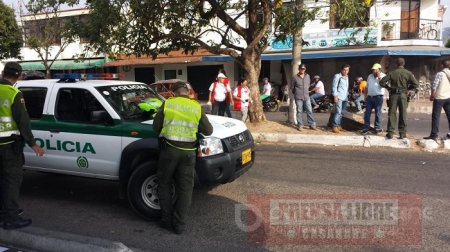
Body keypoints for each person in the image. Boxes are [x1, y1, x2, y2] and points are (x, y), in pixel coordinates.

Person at [153, 81, 213, 234]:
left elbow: (155, 127)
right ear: (188, 92)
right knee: (186, 189)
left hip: (169, 151)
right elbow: (208, 130)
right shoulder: (196, 106)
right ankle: (179, 225)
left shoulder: (168, 104)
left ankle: (166, 221)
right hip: (188, 153)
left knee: (164, 184)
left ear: (173, 93)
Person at [0, 62, 45, 230]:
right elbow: (23, 121)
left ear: (4, 72)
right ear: (18, 76)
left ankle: (3, 213)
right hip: (8, 146)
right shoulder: (13, 93)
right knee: (11, 181)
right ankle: (10, 218)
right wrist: (33, 144)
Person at [380, 58, 419, 139]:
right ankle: (402, 133)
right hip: (403, 96)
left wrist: (388, 88)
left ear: (396, 64)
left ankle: (390, 132)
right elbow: (416, 84)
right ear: (403, 64)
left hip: (393, 95)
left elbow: (382, 82)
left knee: (392, 114)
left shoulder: (392, 73)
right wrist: (409, 89)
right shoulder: (408, 73)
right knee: (403, 114)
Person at [423, 59, 450, 141]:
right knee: (449, 116)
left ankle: (434, 134)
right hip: (448, 97)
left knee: (436, 116)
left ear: (442, 65)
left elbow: (434, 85)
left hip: (439, 98)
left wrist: (432, 95)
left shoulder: (440, 74)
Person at [362, 63, 386, 134]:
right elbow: (366, 87)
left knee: (378, 113)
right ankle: (366, 127)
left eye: (375, 70)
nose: (374, 71)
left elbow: (383, 85)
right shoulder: (370, 76)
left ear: (379, 70)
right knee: (367, 113)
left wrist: (379, 78)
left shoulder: (383, 76)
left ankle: (377, 128)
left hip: (378, 97)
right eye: (373, 70)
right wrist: (365, 96)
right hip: (370, 97)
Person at [291, 63, 317, 131]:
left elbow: (308, 84)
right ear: (299, 69)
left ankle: (312, 125)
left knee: (309, 110)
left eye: (303, 69)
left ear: (305, 69)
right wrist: (296, 93)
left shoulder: (308, 76)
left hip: (306, 96)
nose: (302, 70)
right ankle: (300, 125)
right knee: (299, 111)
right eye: (301, 68)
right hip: (298, 97)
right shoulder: (295, 77)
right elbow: (292, 88)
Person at [330, 64, 350, 134]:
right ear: (341, 70)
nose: (346, 71)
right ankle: (334, 126)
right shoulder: (337, 76)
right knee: (338, 112)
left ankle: (338, 125)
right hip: (339, 97)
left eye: (347, 70)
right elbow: (334, 87)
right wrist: (335, 96)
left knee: (342, 112)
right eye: (344, 70)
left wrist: (347, 95)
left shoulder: (347, 77)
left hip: (345, 97)